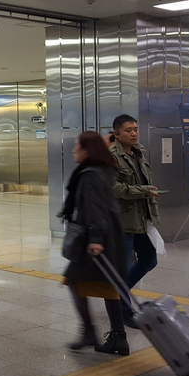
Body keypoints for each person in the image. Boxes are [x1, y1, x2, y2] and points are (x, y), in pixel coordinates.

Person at [60, 132, 129, 356]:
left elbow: (95, 209)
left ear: (87, 151)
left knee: (74, 280)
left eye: (77, 146)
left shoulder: (90, 175)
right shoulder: (102, 171)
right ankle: (118, 336)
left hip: (95, 237)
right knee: (108, 286)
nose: (74, 150)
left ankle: (90, 331)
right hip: (109, 236)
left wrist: (96, 240)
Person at [109, 114, 160, 329]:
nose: (133, 133)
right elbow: (113, 187)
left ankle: (117, 291)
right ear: (117, 133)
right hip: (122, 221)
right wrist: (142, 191)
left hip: (140, 218)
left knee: (149, 259)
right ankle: (123, 311)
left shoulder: (139, 153)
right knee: (123, 268)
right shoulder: (112, 157)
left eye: (135, 129)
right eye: (128, 130)